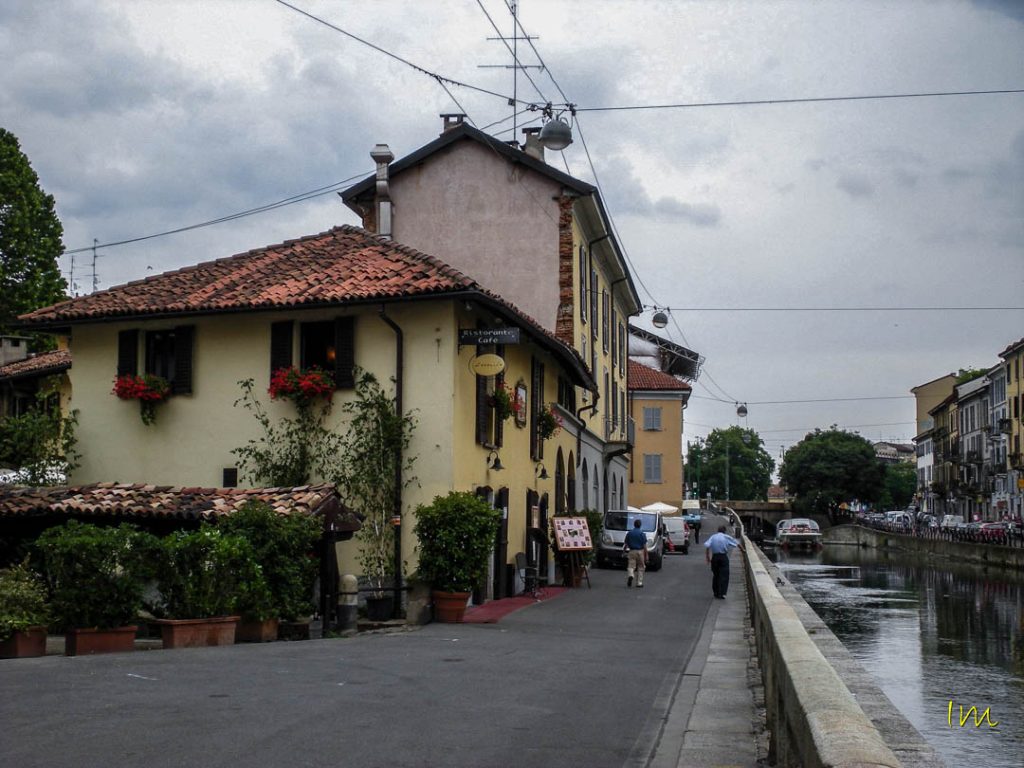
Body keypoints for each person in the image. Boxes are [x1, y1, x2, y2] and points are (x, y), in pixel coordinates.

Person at [704, 524, 740, 599]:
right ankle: (722, 593)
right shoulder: (726, 537)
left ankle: (716, 592)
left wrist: (708, 557)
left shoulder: (713, 537)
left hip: (715, 557)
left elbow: (707, 545)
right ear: (724, 531)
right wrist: (743, 550)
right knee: (724, 575)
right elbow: (736, 543)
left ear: (718, 530)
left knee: (716, 575)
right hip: (723, 557)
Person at [623, 518, 648, 588]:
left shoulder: (629, 533)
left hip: (632, 551)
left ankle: (631, 575)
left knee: (631, 566)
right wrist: (646, 555)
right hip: (640, 551)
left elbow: (626, 544)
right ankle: (639, 583)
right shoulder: (642, 534)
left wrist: (624, 551)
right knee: (641, 566)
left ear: (634, 525)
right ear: (640, 525)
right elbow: (644, 545)